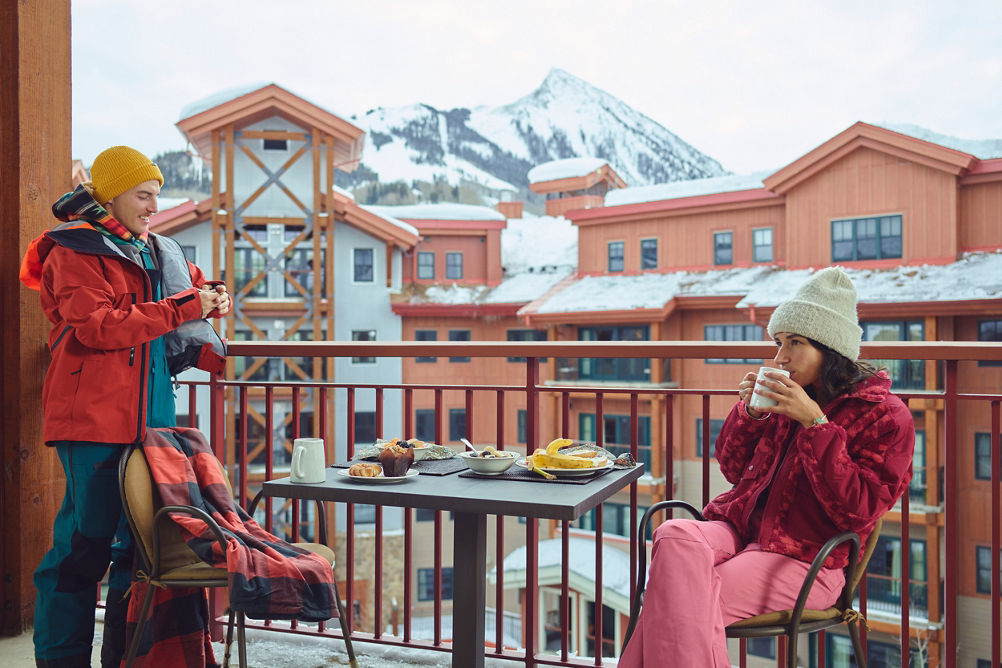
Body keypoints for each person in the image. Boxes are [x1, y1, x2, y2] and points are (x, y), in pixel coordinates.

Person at [619, 267, 915, 667]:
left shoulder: (886, 417)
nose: (780, 357)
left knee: (678, 599)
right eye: (779, 342)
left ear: (830, 347)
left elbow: (858, 509)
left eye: (795, 342)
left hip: (806, 559)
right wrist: (750, 415)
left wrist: (816, 425)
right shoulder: (789, 396)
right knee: (673, 533)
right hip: (738, 532)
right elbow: (732, 467)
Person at [19, 145, 232, 668]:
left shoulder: (156, 250)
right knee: (79, 551)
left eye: (157, 194)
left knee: (139, 555)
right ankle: (61, 661)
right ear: (109, 195)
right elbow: (99, 326)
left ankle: (123, 658)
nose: (153, 206)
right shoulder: (74, 249)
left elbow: (192, 298)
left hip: (152, 424)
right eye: (143, 194)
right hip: (92, 422)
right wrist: (186, 305)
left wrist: (217, 298)